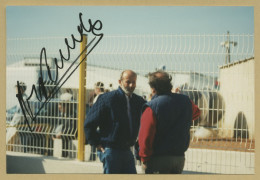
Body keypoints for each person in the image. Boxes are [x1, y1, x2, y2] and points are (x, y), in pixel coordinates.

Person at [138, 70, 201, 174]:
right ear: (169, 84)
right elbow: (196, 113)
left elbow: (145, 136)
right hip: (179, 158)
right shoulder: (185, 101)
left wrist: (144, 158)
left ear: (153, 88)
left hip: (158, 159)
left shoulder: (152, 107)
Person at [84, 70, 146, 174]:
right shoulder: (107, 99)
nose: (131, 85)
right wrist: (97, 143)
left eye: (134, 82)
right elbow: (89, 123)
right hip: (111, 150)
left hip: (127, 150)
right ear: (120, 81)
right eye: (128, 82)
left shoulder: (138, 101)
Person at [53, 92, 77, 158]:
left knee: (64, 137)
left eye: (61, 104)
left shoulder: (74, 116)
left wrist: (62, 133)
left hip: (70, 136)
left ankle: (64, 155)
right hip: (63, 135)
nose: (59, 106)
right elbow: (58, 126)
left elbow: (72, 128)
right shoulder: (62, 115)